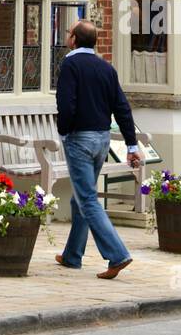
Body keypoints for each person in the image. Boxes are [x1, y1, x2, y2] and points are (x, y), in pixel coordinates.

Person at [54, 19, 142, 280]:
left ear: (74, 39)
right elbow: (122, 108)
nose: (68, 36)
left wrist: (64, 130)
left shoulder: (70, 64)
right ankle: (72, 256)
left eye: (70, 33)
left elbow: (66, 103)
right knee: (81, 197)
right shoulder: (106, 68)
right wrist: (131, 145)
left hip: (80, 139)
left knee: (88, 199)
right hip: (102, 140)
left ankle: (117, 255)